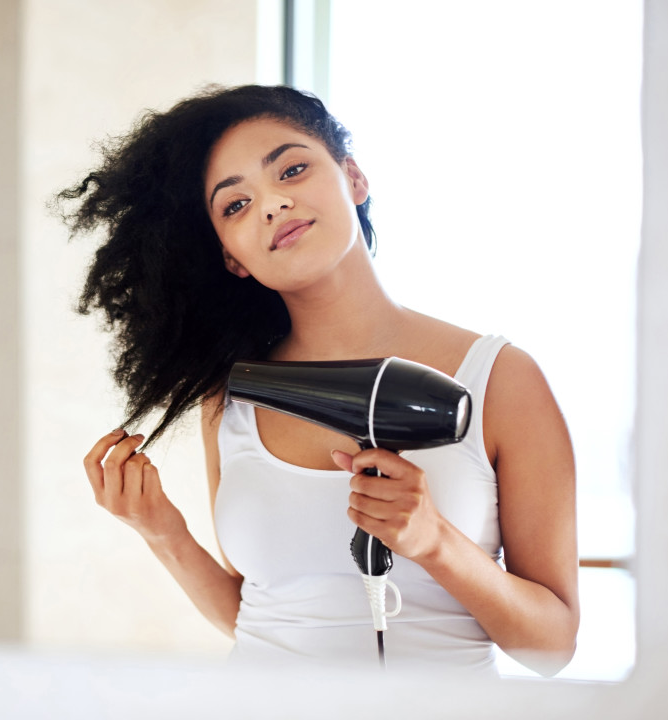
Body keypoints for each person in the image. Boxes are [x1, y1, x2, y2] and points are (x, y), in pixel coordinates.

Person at [59, 85, 578, 677]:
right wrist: (162, 532)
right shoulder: (232, 394)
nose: (272, 204)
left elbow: (553, 646)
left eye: (293, 169)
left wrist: (436, 542)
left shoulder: (500, 380)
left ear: (353, 178)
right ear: (231, 257)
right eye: (235, 206)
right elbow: (260, 616)